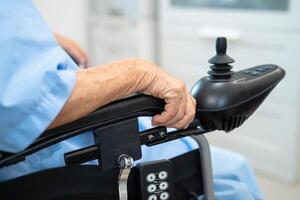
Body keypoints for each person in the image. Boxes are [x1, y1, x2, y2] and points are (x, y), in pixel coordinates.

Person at [0, 1, 262, 199]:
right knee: (231, 170)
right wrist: (137, 73)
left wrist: (50, 37)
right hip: (50, 160)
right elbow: (26, 101)